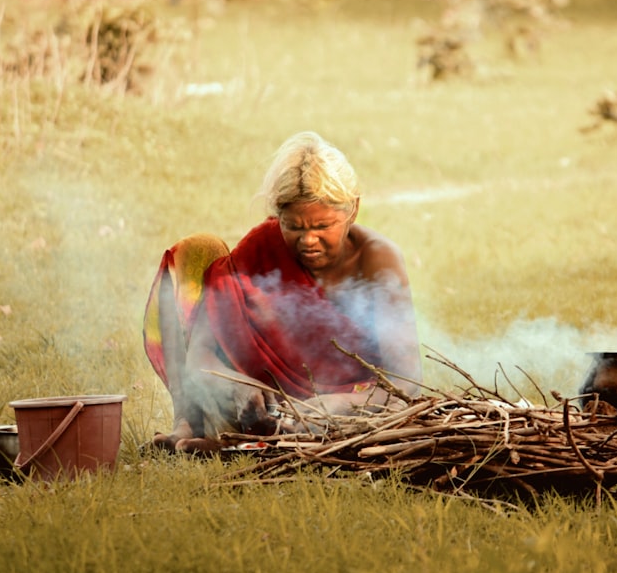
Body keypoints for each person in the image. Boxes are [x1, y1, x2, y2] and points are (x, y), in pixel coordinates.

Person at [143, 131, 422, 453]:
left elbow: (406, 385)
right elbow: (200, 358)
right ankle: (189, 424)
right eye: (294, 227)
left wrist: (339, 403)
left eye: (322, 226)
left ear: (353, 211)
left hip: (337, 417)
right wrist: (237, 387)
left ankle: (245, 445)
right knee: (195, 251)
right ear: (279, 218)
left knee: (345, 418)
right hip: (255, 407)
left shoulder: (377, 259)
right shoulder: (264, 245)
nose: (308, 241)